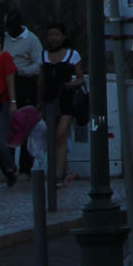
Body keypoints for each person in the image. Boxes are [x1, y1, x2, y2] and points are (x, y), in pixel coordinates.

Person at [41, 23, 84, 188]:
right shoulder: (43, 55)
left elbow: (80, 76)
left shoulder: (73, 54)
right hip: (50, 100)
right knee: (54, 138)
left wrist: (73, 83)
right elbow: (41, 80)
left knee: (60, 134)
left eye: (56, 34)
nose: (53, 37)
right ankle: (66, 171)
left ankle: (57, 175)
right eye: (50, 34)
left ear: (63, 36)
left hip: (67, 99)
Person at [2, 8, 41, 175]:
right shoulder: (3, 40)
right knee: (5, 127)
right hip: (5, 86)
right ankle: (7, 168)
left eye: (12, 26)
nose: (10, 29)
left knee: (25, 126)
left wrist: (22, 71)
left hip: (24, 84)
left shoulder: (31, 40)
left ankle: (25, 168)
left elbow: (39, 64)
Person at [0, 28, 16, 187]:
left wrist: (13, 102)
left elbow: (10, 81)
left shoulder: (5, 58)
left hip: (0, 102)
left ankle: (9, 167)